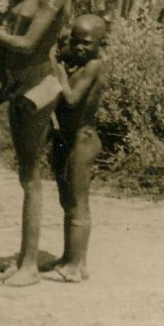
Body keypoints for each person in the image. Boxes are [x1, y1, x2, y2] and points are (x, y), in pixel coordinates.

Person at [0, 0, 71, 287]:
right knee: (25, 172)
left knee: (31, 177)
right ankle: (25, 257)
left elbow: (29, 43)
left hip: (38, 83)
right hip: (21, 84)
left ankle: (30, 266)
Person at [45, 14, 107, 283]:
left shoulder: (95, 65)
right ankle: (70, 258)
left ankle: (76, 264)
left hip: (83, 140)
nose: (80, 48)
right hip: (66, 139)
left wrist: (56, 66)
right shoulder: (75, 62)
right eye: (76, 42)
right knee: (67, 201)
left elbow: (70, 99)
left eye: (87, 43)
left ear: (101, 43)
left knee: (78, 203)